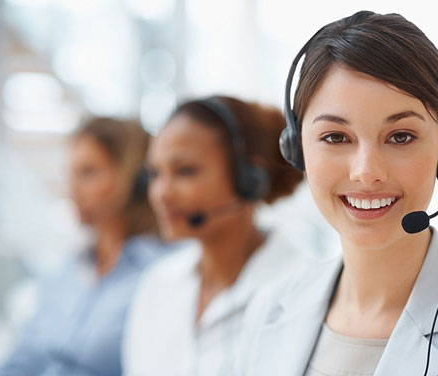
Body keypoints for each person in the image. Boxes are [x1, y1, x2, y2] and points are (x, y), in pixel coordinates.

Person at [235, 11, 438, 376]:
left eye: (401, 137)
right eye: (336, 137)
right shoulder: (267, 311)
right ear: (296, 149)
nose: (367, 172)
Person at [122, 96, 308, 375]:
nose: (161, 193)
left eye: (185, 171)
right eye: (155, 174)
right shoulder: (157, 283)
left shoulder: (302, 291)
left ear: (249, 179)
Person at [0, 117, 165, 376]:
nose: (72, 188)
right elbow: (23, 357)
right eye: (71, 174)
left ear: (137, 179)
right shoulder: (65, 271)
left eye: (89, 173)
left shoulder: (162, 273)